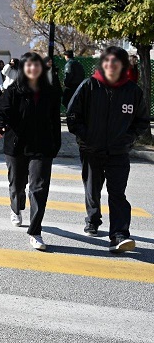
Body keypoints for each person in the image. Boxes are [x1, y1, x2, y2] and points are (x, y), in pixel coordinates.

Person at [67, 46, 148, 253]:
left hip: (119, 152)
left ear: (123, 65)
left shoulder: (133, 91)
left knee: (117, 193)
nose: (111, 64)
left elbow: (142, 121)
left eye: (116, 61)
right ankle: (93, 219)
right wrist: (86, 137)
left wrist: (128, 139)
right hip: (91, 150)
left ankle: (119, 235)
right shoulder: (89, 86)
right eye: (108, 61)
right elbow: (73, 116)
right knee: (93, 188)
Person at [0, 52, 61, 251]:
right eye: (29, 65)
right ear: (23, 68)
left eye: (36, 65)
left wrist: (55, 144)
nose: (33, 68)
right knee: (17, 185)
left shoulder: (50, 92)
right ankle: (16, 208)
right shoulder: (14, 90)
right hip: (16, 146)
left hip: (42, 147)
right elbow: (1, 111)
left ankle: (35, 232)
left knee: (39, 189)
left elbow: (55, 121)